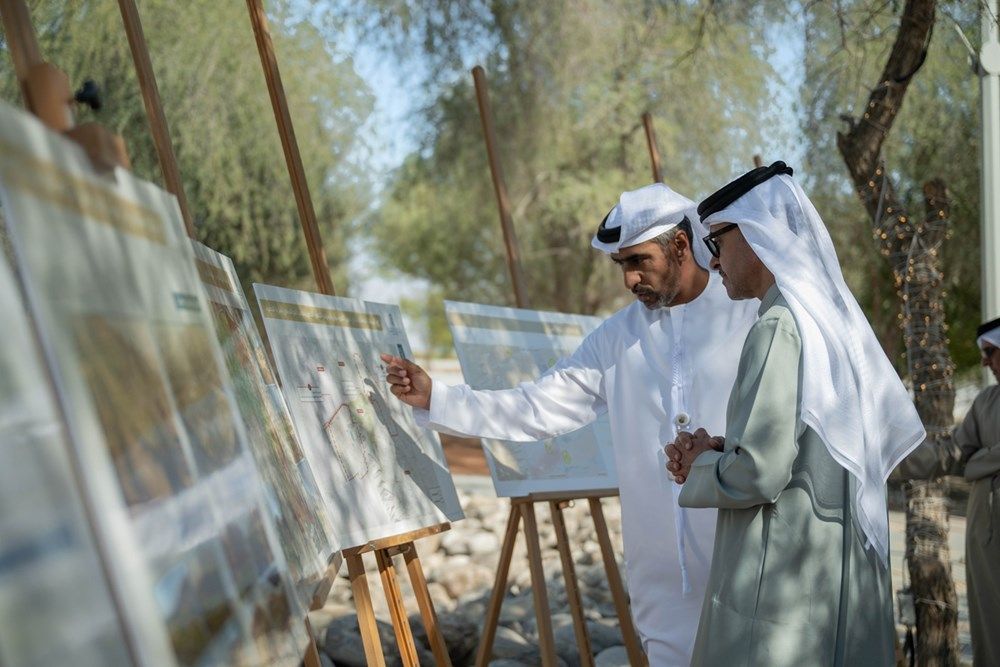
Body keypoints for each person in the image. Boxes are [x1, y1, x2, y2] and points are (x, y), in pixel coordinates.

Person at [381, 183, 759, 665]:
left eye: (639, 261)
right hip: (659, 574)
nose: (629, 280)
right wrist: (440, 398)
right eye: (622, 265)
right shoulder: (616, 337)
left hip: (742, 556)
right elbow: (537, 407)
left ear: (681, 246)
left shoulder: (748, 316)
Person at [666, 162, 925, 666]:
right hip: (831, 569)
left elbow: (759, 473)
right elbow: (808, 443)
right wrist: (724, 449)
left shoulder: (779, 326)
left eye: (717, 242)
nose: (713, 262)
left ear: (760, 232)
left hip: (782, 579)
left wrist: (696, 463)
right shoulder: (829, 321)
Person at [953, 317, 1000, 666]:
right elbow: (956, 453)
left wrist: (978, 463)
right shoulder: (986, 402)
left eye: (990, 352)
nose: (985, 361)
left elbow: (970, 461)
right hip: (987, 543)